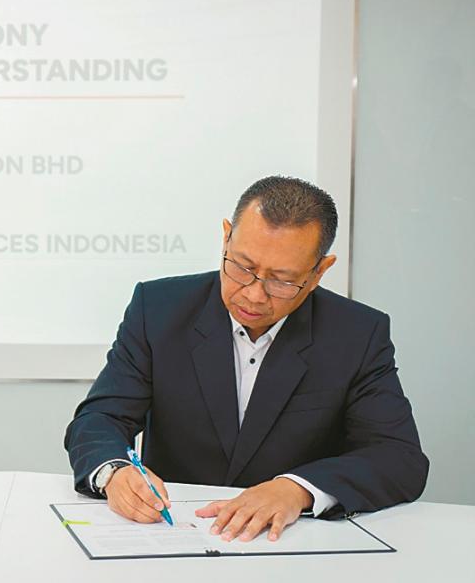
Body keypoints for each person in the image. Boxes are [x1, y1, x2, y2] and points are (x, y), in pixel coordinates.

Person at [65, 176, 428, 542]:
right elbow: (100, 417)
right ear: (226, 237)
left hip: (295, 542)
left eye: (282, 281)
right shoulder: (158, 308)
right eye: (241, 267)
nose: (254, 295)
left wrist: (296, 490)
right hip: (173, 534)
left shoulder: (357, 333)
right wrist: (115, 471)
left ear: (319, 271)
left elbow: (399, 457)